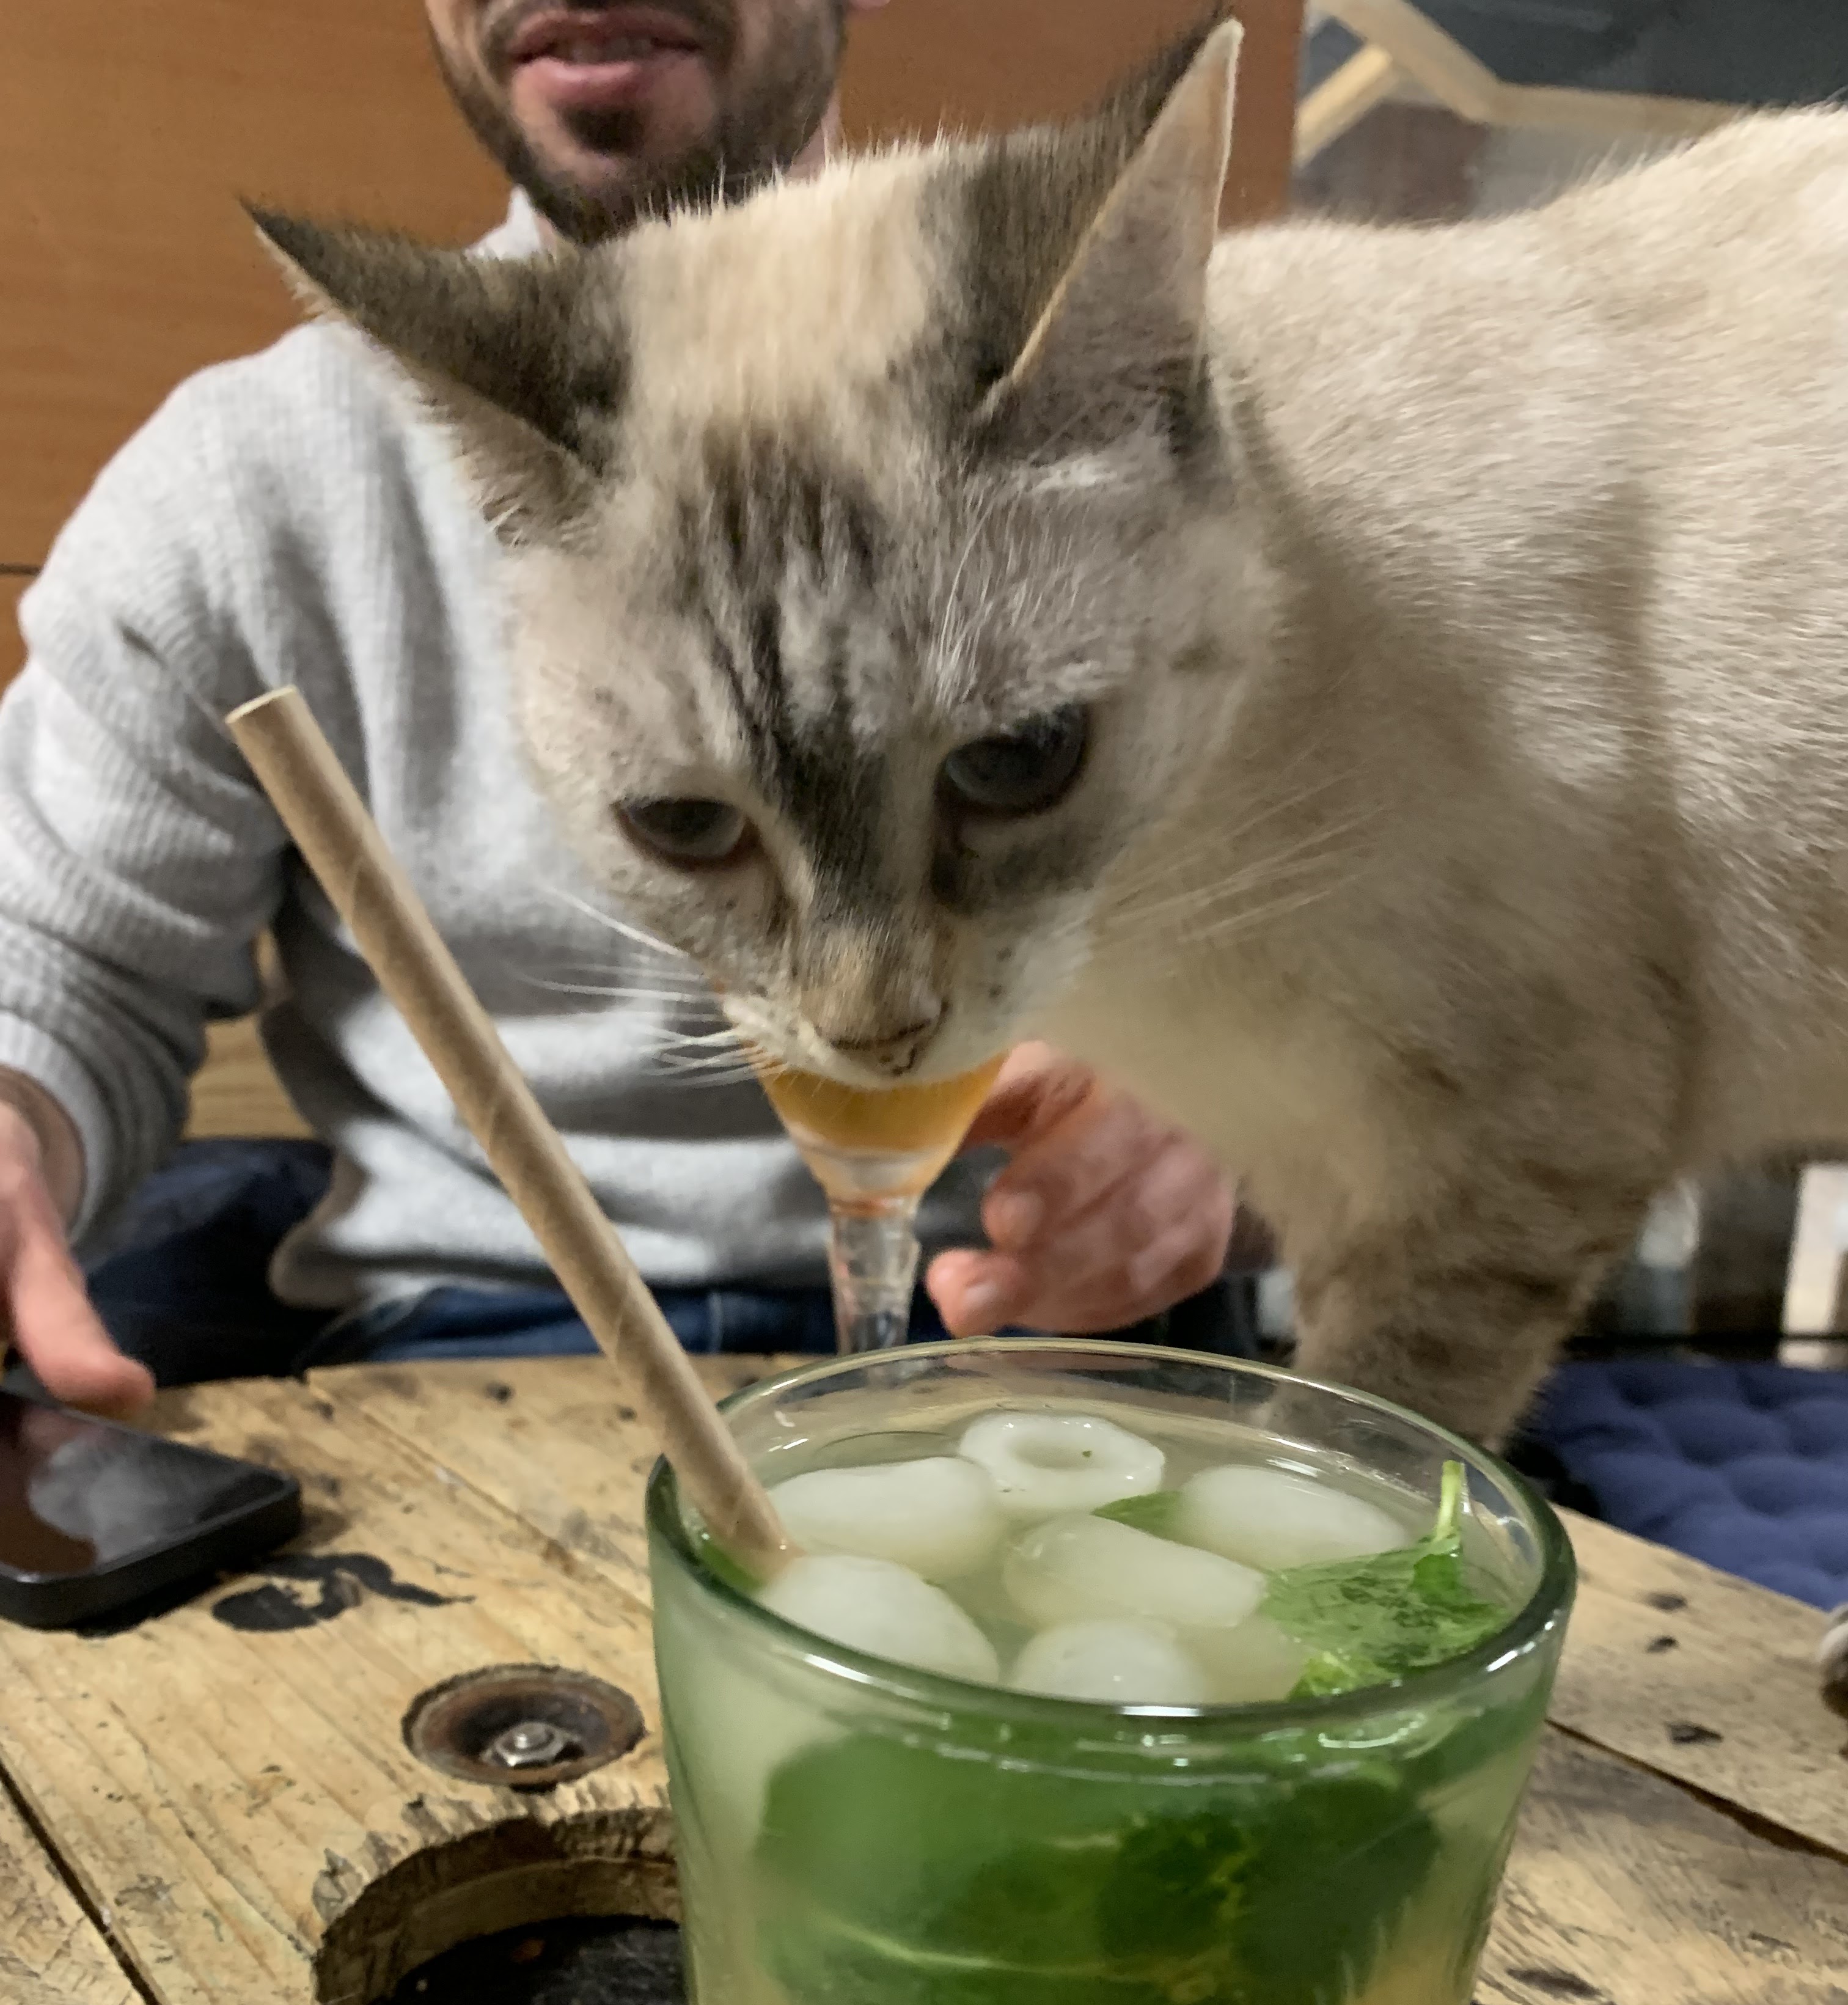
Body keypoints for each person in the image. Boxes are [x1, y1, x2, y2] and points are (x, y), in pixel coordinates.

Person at [0, 0, 1241, 1417]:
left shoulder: (1145, 394)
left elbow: (1405, 995)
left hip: (1043, 1340)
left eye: (1016, 753)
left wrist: (1257, 1130)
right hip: (487, 1336)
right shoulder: (252, 479)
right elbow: (61, 968)